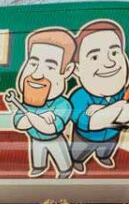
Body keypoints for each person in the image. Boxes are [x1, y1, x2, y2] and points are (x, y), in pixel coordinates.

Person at [67, 19, 129, 172]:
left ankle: (103, 157)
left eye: (114, 53)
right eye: (94, 57)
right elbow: (90, 123)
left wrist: (107, 109)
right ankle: (77, 161)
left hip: (112, 134)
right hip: (86, 138)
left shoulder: (122, 92)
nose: (109, 63)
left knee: (106, 150)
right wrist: (117, 108)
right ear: (77, 70)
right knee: (78, 152)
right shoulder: (79, 97)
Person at [7, 27, 77, 178]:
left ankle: (65, 171)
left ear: (68, 70)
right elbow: (20, 124)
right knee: (38, 159)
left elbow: (50, 128)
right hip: (35, 139)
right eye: (33, 64)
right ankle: (39, 167)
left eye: (50, 66)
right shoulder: (26, 103)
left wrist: (34, 117)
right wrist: (39, 116)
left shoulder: (63, 105)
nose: (37, 74)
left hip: (54, 140)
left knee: (62, 159)